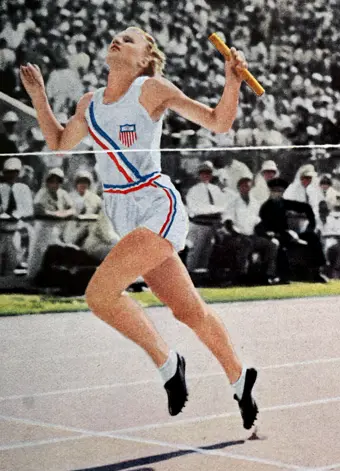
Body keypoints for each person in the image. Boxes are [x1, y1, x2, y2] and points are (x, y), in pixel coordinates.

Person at [19, 27, 258, 429]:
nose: (117, 40)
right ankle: (241, 377)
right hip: (122, 211)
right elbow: (59, 142)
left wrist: (231, 80)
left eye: (129, 39)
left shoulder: (151, 89)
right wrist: (39, 96)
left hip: (155, 204)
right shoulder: (89, 103)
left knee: (99, 294)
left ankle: (168, 364)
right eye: (116, 36)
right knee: (188, 310)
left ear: (146, 57)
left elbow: (218, 122)